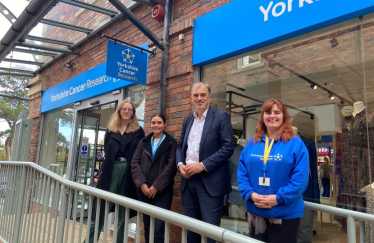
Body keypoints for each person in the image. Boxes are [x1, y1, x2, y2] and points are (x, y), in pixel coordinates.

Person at [237, 98, 309, 243]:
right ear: (263, 117)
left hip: (285, 214)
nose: (272, 116)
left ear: (284, 116)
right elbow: (242, 173)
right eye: (268, 112)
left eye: (277, 112)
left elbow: (300, 180)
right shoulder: (253, 143)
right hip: (256, 212)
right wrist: (250, 194)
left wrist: (277, 199)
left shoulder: (296, 144)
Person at [176, 82, 234, 243]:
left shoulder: (221, 116)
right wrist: (180, 164)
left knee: (210, 233)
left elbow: (228, 147)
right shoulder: (188, 120)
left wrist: (202, 165)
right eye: (196, 95)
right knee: (192, 230)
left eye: (202, 95)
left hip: (210, 182)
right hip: (188, 181)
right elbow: (180, 146)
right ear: (191, 99)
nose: (199, 98)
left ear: (209, 97)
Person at [85, 99, 145, 243]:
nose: (127, 111)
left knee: (123, 211)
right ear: (119, 111)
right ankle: (90, 240)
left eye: (130, 109)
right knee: (101, 207)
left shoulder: (138, 131)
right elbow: (107, 149)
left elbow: (140, 153)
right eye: (124, 109)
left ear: (133, 113)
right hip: (110, 171)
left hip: (129, 172)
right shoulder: (111, 129)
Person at [131, 113, 177, 243]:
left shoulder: (171, 143)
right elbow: (135, 163)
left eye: (159, 123)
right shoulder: (143, 142)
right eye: (153, 123)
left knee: (159, 229)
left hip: (162, 192)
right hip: (144, 191)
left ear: (165, 125)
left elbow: (171, 166)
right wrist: (142, 184)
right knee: (148, 227)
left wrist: (156, 186)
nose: (156, 125)